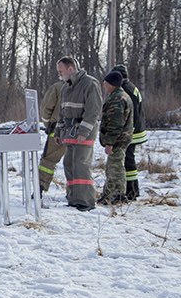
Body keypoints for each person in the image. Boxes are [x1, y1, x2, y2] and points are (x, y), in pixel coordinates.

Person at [55, 57, 103, 212]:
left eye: (61, 71)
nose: (59, 75)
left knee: (81, 165)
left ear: (70, 69)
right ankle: (73, 197)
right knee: (69, 163)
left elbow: (93, 110)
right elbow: (62, 112)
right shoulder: (65, 88)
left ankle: (85, 201)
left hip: (84, 132)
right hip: (69, 132)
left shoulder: (89, 83)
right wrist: (58, 131)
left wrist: (84, 131)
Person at [112, 64, 147, 200]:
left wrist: (128, 131)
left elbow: (131, 113)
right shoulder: (131, 86)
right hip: (136, 130)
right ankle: (132, 189)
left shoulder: (126, 89)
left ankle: (131, 190)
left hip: (132, 131)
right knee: (129, 159)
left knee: (128, 160)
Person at [98, 71, 133, 204]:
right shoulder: (122, 96)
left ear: (112, 84)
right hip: (121, 139)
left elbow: (115, 124)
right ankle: (109, 194)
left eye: (105, 83)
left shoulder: (117, 99)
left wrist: (109, 143)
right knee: (113, 166)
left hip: (117, 141)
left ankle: (118, 195)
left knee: (115, 168)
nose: (104, 86)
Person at [37, 77, 66, 195]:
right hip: (78, 132)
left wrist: (47, 123)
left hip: (57, 129)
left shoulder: (57, 87)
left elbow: (46, 107)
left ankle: (40, 187)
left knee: (48, 160)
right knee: (75, 163)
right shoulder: (83, 86)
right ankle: (77, 194)